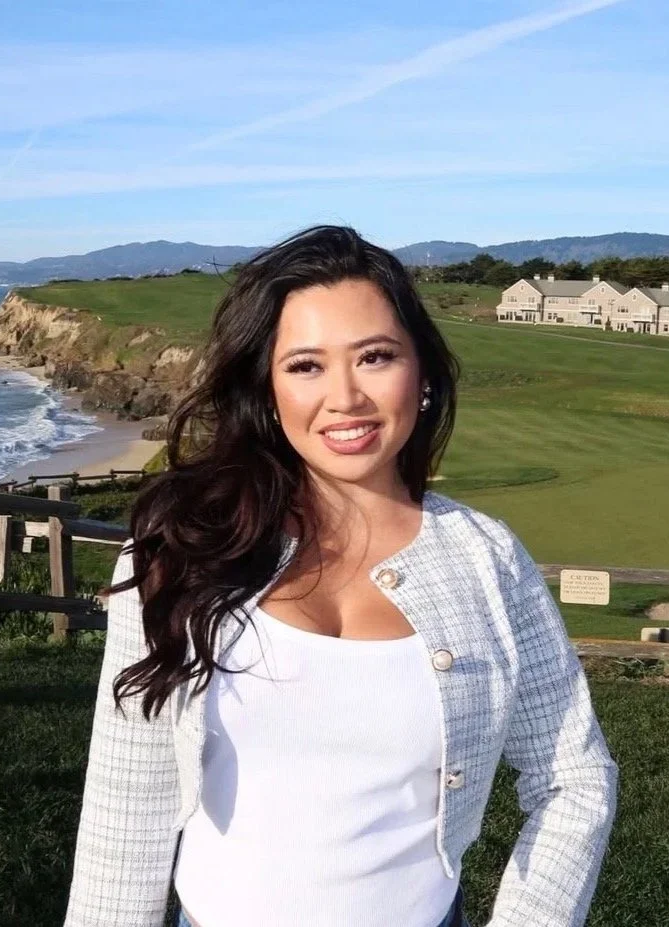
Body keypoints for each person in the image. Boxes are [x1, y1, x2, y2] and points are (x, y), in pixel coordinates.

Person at [63, 225, 618, 927]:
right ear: (267, 388)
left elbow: (574, 776)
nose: (346, 397)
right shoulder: (180, 550)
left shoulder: (488, 560)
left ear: (421, 373)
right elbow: (127, 801)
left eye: (375, 356)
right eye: (306, 366)